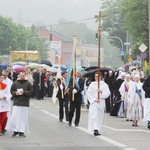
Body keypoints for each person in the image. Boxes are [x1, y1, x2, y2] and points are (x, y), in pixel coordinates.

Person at [8, 71, 33, 137]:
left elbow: (31, 92)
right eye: (21, 75)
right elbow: (11, 91)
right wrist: (15, 93)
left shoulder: (28, 83)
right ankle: (15, 131)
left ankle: (21, 131)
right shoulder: (15, 83)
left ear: (25, 76)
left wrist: (24, 92)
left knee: (22, 118)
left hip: (24, 103)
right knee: (15, 117)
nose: (22, 77)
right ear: (19, 75)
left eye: (23, 76)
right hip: (17, 102)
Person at [86, 71, 110, 136]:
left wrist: (101, 92)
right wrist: (94, 99)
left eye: (98, 76)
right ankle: (95, 129)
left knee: (99, 116)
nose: (96, 78)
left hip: (101, 101)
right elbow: (88, 93)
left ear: (101, 77)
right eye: (95, 76)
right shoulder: (92, 84)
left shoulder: (104, 85)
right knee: (94, 115)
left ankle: (98, 129)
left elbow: (108, 93)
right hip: (94, 102)